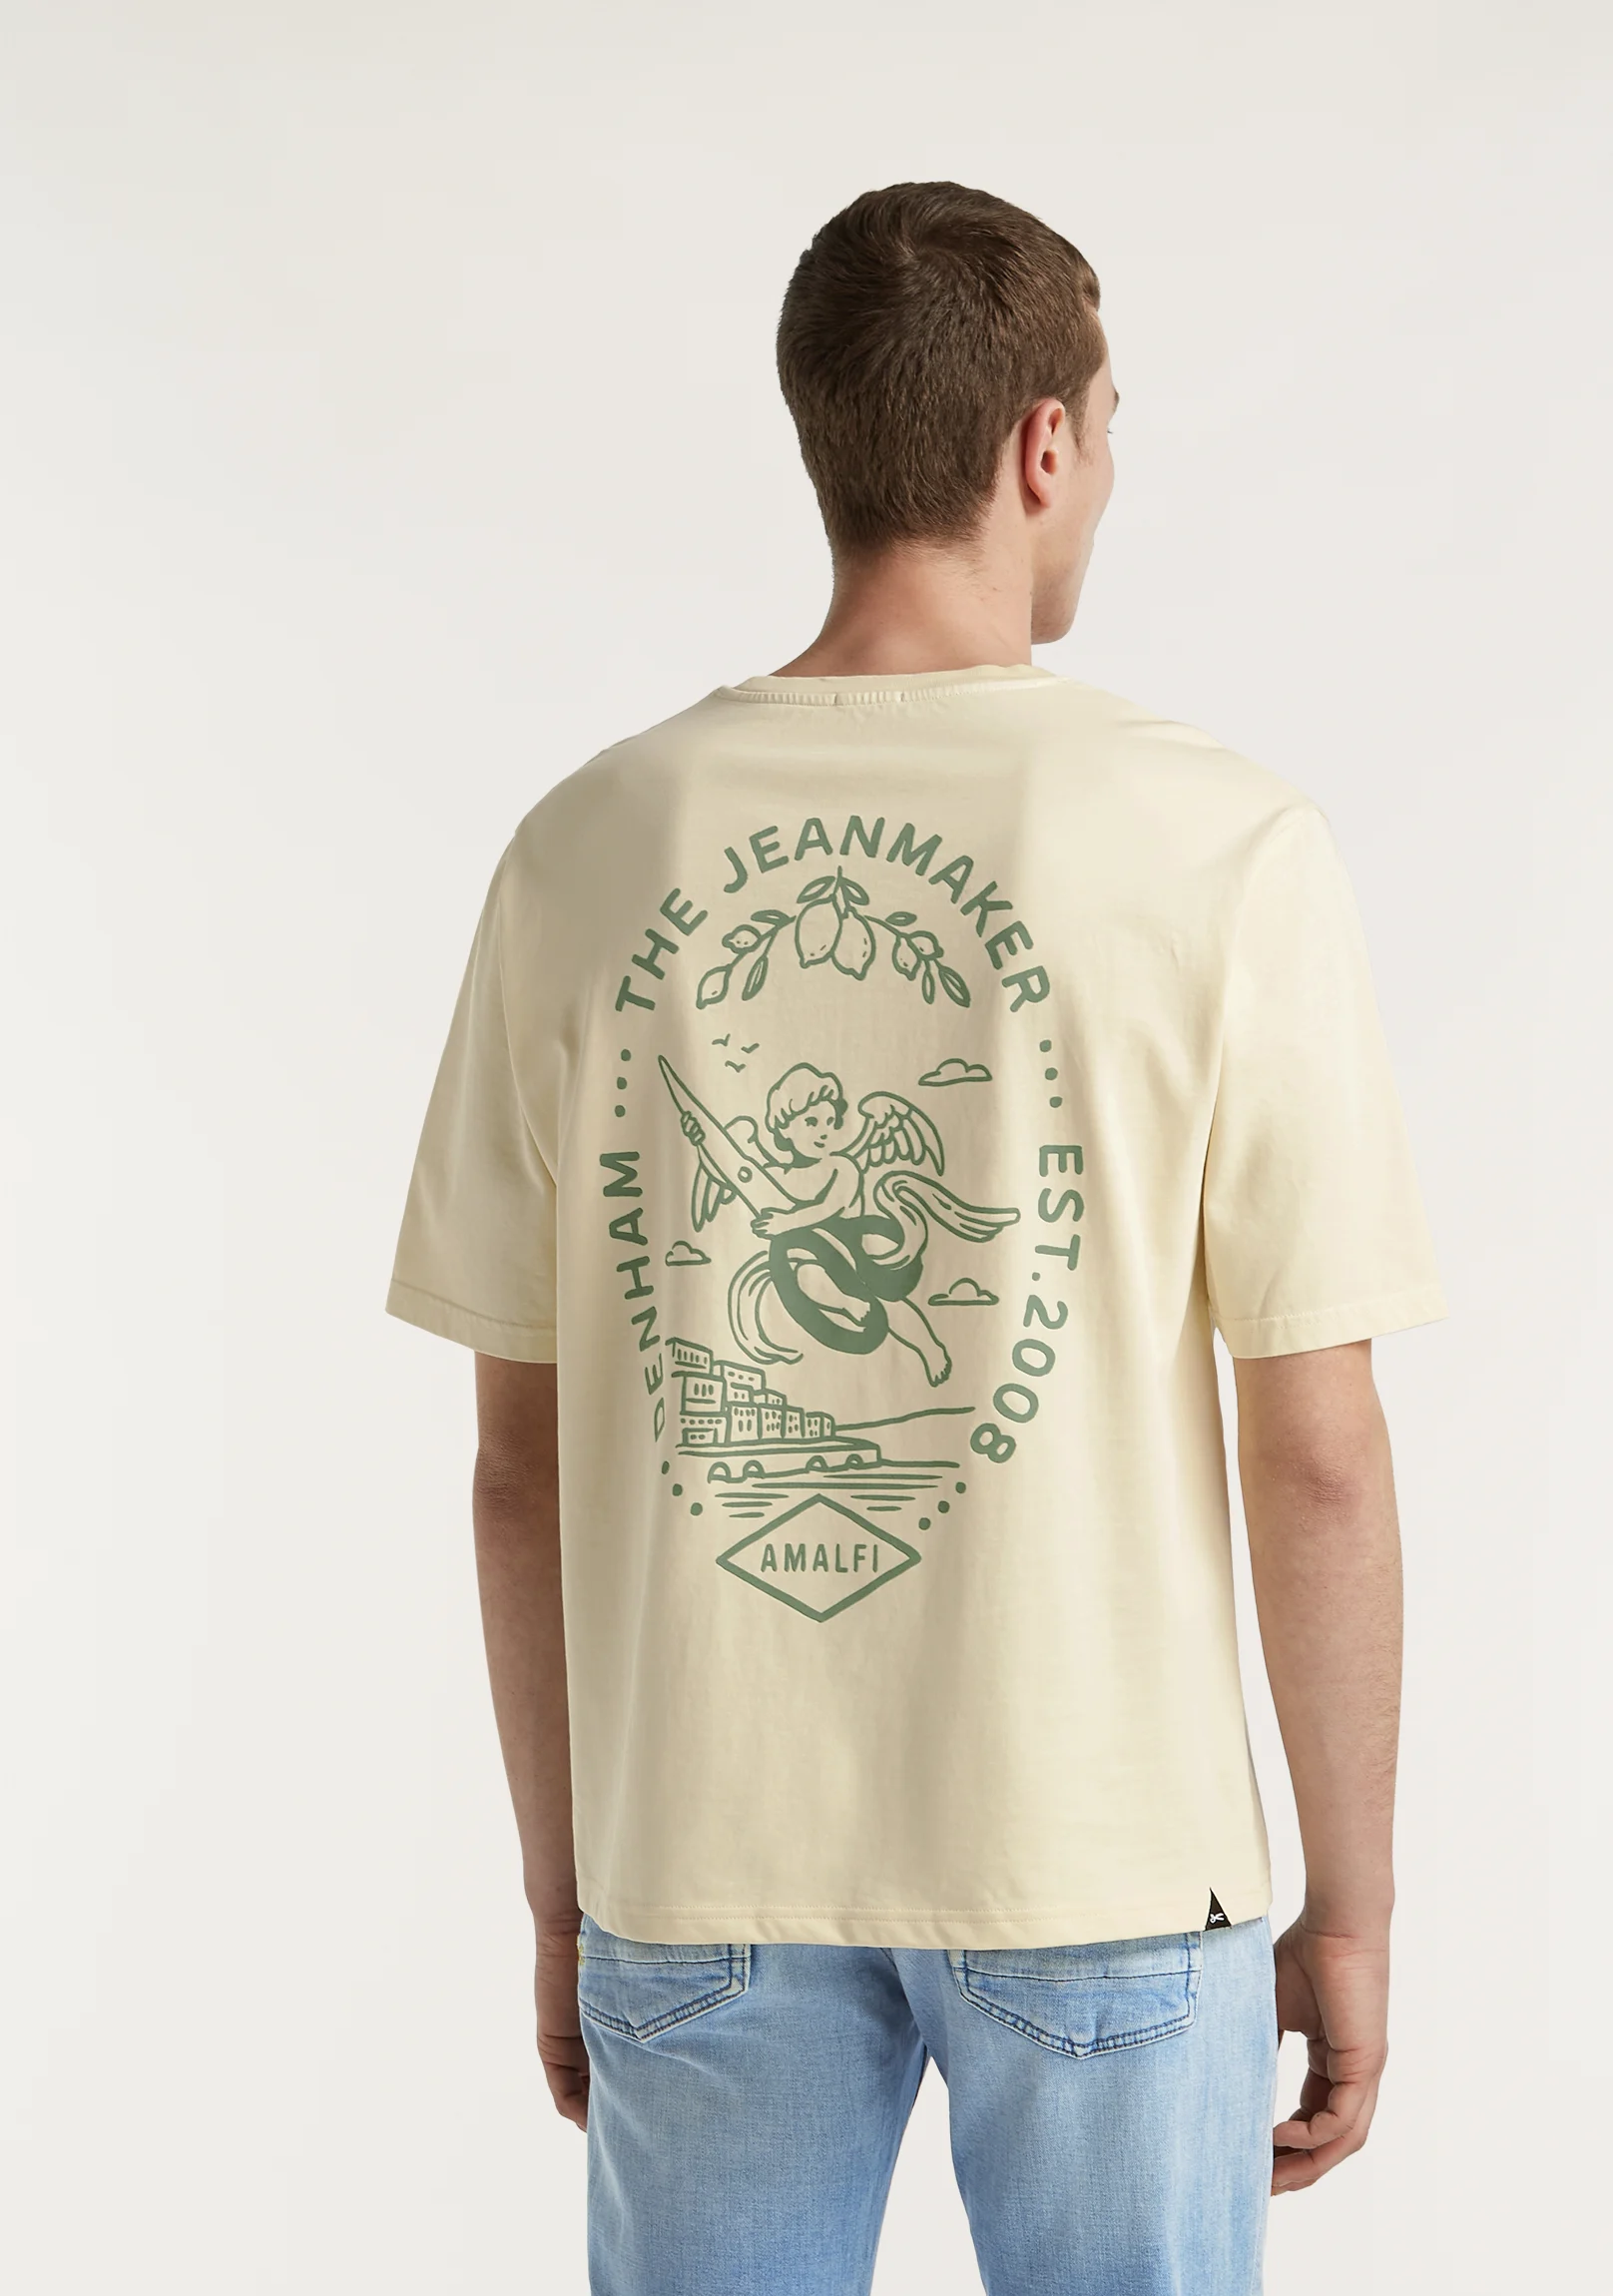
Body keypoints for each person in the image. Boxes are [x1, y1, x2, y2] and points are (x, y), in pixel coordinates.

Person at [388, 181, 1445, 2296]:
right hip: (1101, 1854)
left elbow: (521, 1465)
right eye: (1110, 429)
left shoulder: (586, 848)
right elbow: (1315, 1449)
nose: (1106, 474)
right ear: (1042, 443)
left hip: (698, 1857)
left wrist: (563, 1889)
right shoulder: (1221, 843)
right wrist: (1350, 1907)